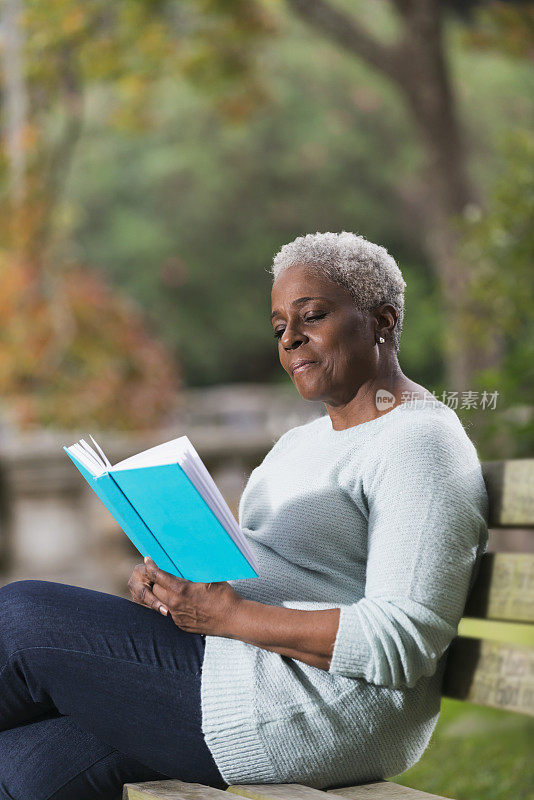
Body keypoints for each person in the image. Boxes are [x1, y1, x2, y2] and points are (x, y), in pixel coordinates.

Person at [0, 231, 489, 800]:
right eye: (280, 326)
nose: (291, 340)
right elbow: (268, 574)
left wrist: (227, 616)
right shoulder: (298, 444)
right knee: (24, 768)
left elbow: (402, 639)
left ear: (381, 320)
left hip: (322, 707)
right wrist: (177, 586)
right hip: (237, 670)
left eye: (313, 316)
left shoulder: (419, 441)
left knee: (23, 617)